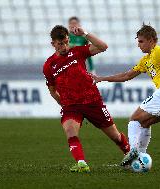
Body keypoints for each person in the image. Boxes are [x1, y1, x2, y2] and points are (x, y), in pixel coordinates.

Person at [91, 24, 160, 166]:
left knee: (134, 119)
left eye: (141, 41)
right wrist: (102, 78)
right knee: (144, 123)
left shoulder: (159, 52)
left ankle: (132, 150)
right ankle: (139, 158)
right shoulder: (145, 61)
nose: (138, 45)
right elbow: (127, 75)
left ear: (151, 41)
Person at [43, 25, 129, 173]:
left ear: (68, 39)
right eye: (59, 44)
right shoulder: (49, 65)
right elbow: (52, 90)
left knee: (115, 135)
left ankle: (130, 155)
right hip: (71, 105)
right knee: (70, 130)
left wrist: (85, 34)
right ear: (53, 44)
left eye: (65, 42)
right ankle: (81, 163)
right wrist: (62, 102)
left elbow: (103, 47)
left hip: (92, 100)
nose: (64, 47)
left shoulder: (77, 51)